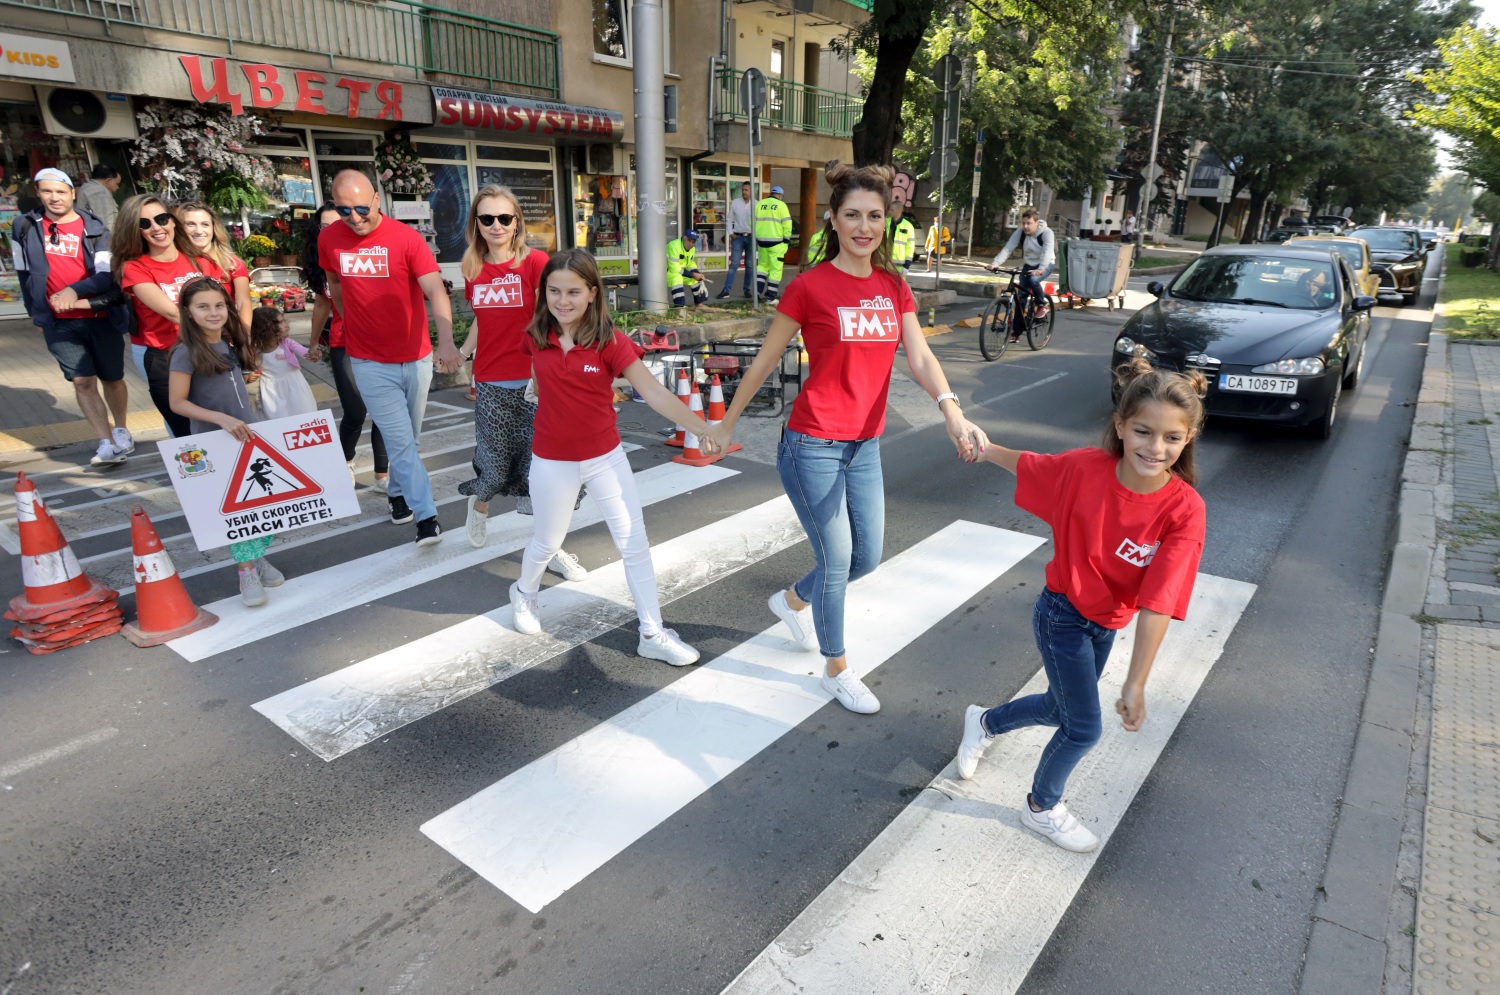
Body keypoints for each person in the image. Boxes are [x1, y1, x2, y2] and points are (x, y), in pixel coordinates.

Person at [703, 161, 989, 714]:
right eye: (852, 215)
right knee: (837, 560)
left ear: (887, 220)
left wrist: (951, 409)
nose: (864, 226)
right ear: (832, 220)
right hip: (811, 443)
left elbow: (920, 354)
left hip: (864, 445)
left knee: (867, 559)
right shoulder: (811, 287)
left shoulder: (892, 285)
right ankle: (836, 667)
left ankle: (791, 601)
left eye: (875, 216)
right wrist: (726, 421)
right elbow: (766, 360)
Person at [953, 357, 1208, 852]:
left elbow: (1159, 601)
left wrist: (1137, 681)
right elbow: (1028, 464)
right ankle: (1042, 807)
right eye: (1143, 431)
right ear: (1120, 426)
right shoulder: (1083, 470)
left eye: (1172, 438)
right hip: (1062, 614)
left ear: (1189, 438)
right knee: (1083, 727)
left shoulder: (1184, 510)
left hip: (1106, 623)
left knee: (1058, 707)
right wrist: (983, 449)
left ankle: (984, 722)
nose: (1155, 448)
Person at [507, 248, 711, 668]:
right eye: (554, 291)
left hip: (605, 458)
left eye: (574, 292)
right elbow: (537, 382)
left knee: (634, 545)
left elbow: (652, 393)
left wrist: (702, 427)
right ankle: (524, 592)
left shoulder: (609, 342)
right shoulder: (533, 337)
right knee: (547, 541)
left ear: (593, 294)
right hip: (551, 460)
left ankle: (652, 632)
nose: (563, 301)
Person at [318, 170, 462, 548]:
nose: (354, 217)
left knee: (408, 439)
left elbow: (434, 288)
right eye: (344, 210)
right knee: (400, 442)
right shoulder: (330, 238)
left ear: (378, 200)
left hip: (415, 358)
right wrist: (347, 321)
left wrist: (445, 341)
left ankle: (398, 493)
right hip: (367, 360)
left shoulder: (405, 239)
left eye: (362, 208)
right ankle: (428, 517)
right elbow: (334, 283)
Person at [454, 184, 585, 582]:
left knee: (539, 472)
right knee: (493, 469)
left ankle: (552, 548)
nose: (496, 225)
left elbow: (554, 313)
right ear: (476, 223)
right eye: (487, 218)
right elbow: (483, 318)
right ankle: (480, 503)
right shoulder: (472, 268)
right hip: (492, 379)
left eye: (504, 218)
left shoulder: (534, 263)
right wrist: (461, 353)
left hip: (536, 382)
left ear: (517, 223)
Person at [166, 277, 284, 607]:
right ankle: (246, 570)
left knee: (261, 505)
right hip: (213, 444)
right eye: (203, 306)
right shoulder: (185, 353)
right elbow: (177, 402)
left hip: (246, 437)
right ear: (187, 312)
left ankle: (257, 557)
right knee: (236, 513)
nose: (213, 312)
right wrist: (221, 419)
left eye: (218, 305)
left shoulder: (229, 346)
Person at [13, 167, 134, 466]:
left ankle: (121, 429)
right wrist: (36, 314)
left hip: (100, 315)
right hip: (57, 321)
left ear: (73, 193)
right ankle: (105, 442)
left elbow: (106, 275)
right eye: (47, 191)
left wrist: (72, 291)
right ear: (38, 193)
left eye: (60, 191)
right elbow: (23, 273)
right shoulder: (24, 227)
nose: (54, 198)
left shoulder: (96, 229)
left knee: (113, 377)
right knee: (81, 381)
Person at [114, 195, 227, 438]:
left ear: (173, 221)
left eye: (161, 219)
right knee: (185, 431)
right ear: (136, 230)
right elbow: (170, 312)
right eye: (144, 224)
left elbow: (222, 306)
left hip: (206, 348)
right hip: (164, 355)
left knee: (218, 421)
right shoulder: (135, 267)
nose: (156, 228)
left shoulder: (201, 262)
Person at [303, 203, 388, 490]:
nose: (331, 230)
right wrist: (314, 342)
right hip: (343, 341)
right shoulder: (322, 262)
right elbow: (322, 304)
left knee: (383, 410)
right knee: (355, 410)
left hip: (379, 342)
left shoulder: (363, 252)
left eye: (335, 223)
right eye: (324, 227)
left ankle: (382, 474)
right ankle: (345, 461)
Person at [177, 201, 253, 329]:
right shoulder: (174, 261)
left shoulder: (232, 263)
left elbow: (243, 303)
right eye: (190, 224)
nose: (199, 230)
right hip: (184, 337)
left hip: (223, 336)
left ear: (213, 228)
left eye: (205, 224)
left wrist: (245, 337)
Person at [986, 208, 1056, 326]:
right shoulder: (1020, 232)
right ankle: (1016, 332)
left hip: (1046, 264)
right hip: (1029, 264)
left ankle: (1042, 305)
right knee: (1021, 298)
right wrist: (995, 263)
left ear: (1037, 223)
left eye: (1029, 223)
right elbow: (1008, 248)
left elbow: (1048, 252)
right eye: (1024, 223)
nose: (1026, 226)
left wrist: (1041, 269)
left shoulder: (1047, 233)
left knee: (1033, 280)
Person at [249, 306, 317, 420]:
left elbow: (305, 352)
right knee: (276, 419)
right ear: (266, 328)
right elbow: (249, 368)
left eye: (284, 320)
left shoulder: (287, 343)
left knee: (304, 414)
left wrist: (313, 354)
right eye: (280, 322)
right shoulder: (255, 350)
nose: (286, 325)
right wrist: (250, 375)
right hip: (271, 391)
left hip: (295, 385)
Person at [754, 183, 793, 302]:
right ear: (780, 195)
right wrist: (786, 239)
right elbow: (787, 223)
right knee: (775, 270)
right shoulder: (781, 205)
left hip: (761, 242)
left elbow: (752, 223)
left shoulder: (759, 204)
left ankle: (757, 293)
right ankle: (770, 297)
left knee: (762, 267)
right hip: (777, 243)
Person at [716, 181, 755, 299]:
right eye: (743, 189)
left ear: (752, 191)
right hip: (737, 237)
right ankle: (726, 290)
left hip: (751, 237)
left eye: (746, 190)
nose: (744, 192)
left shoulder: (757, 204)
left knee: (749, 265)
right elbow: (729, 219)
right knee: (734, 264)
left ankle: (747, 290)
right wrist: (731, 233)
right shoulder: (736, 203)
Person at [665, 230, 709, 308]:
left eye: (693, 241)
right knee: (677, 278)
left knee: (696, 279)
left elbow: (690, 263)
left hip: (678, 272)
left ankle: (699, 304)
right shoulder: (674, 246)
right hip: (665, 273)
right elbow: (674, 268)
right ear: (684, 238)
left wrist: (697, 273)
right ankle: (679, 307)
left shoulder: (692, 249)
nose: (691, 244)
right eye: (689, 240)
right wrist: (692, 274)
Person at [75, 164, 120, 232]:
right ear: (108, 181)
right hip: (104, 239)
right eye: (117, 184)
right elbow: (106, 223)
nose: (118, 187)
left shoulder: (88, 188)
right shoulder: (99, 192)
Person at [886, 200, 917, 275]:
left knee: (899, 286)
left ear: (899, 210)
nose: (889, 211)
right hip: (884, 263)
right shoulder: (885, 222)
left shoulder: (908, 226)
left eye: (892, 209)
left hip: (899, 265)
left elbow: (910, 246)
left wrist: (907, 265)